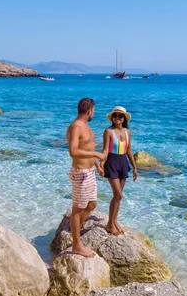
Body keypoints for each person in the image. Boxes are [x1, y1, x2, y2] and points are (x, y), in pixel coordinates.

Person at [66, 98, 106, 257]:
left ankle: (74, 234)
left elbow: (86, 148)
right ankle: (76, 245)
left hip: (90, 171)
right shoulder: (76, 127)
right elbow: (73, 151)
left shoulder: (86, 127)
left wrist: (97, 165)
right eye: (93, 111)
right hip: (80, 173)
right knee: (78, 209)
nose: (93, 114)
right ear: (89, 111)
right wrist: (97, 154)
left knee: (92, 204)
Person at [100, 106, 138, 236]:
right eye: (115, 115)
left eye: (120, 116)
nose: (117, 118)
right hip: (111, 162)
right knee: (118, 194)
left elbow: (129, 150)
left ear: (124, 119)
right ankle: (110, 224)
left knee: (118, 196)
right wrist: (101, 165)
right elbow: (105, 151)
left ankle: (114, 221)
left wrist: (134, 167)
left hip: (123, 163)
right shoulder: (108, 131)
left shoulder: (128, 132)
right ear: (112, 117)